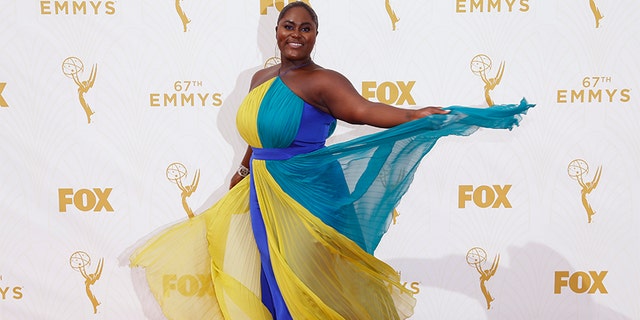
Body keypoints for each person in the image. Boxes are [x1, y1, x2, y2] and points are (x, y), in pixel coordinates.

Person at [129, 2, 534, 319]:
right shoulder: (258, 80)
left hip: (309, 193)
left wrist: (419, 116)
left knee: (308, 279)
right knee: (270, 275)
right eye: (289, 26)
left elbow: (366, 110)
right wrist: (242, 171)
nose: (296, 34)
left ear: (316, 35)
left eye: (306, 28)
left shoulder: (324, 81)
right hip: (263, 192)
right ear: (276, 32)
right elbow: (257, 136)